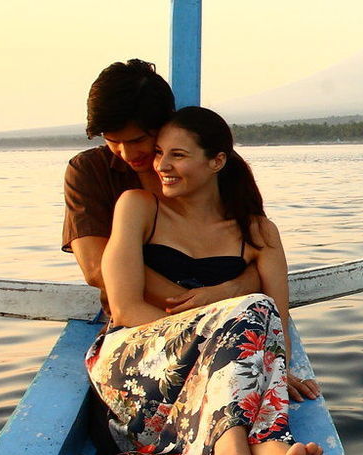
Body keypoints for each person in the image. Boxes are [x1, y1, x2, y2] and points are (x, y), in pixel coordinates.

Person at [49, 106, 334, 455]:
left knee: (259, 326)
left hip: (214, 368)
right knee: (252, 311)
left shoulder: (257, 231)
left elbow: (280, 320)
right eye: (161, 153)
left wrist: (273, 364)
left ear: (217, 161)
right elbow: (126, 308)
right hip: (135, 360)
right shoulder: (138, 207)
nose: (161, 165)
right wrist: (222, 336)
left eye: (177, 155)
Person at [62, 59, 261, 312]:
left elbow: (260, 251)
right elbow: (96, 267)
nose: (127, 153)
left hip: (226, 316)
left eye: (138, 140)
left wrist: (228, 293)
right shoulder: (90, 171)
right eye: (113, 141)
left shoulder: (215, 165)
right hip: (145, 323)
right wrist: (199, 309)